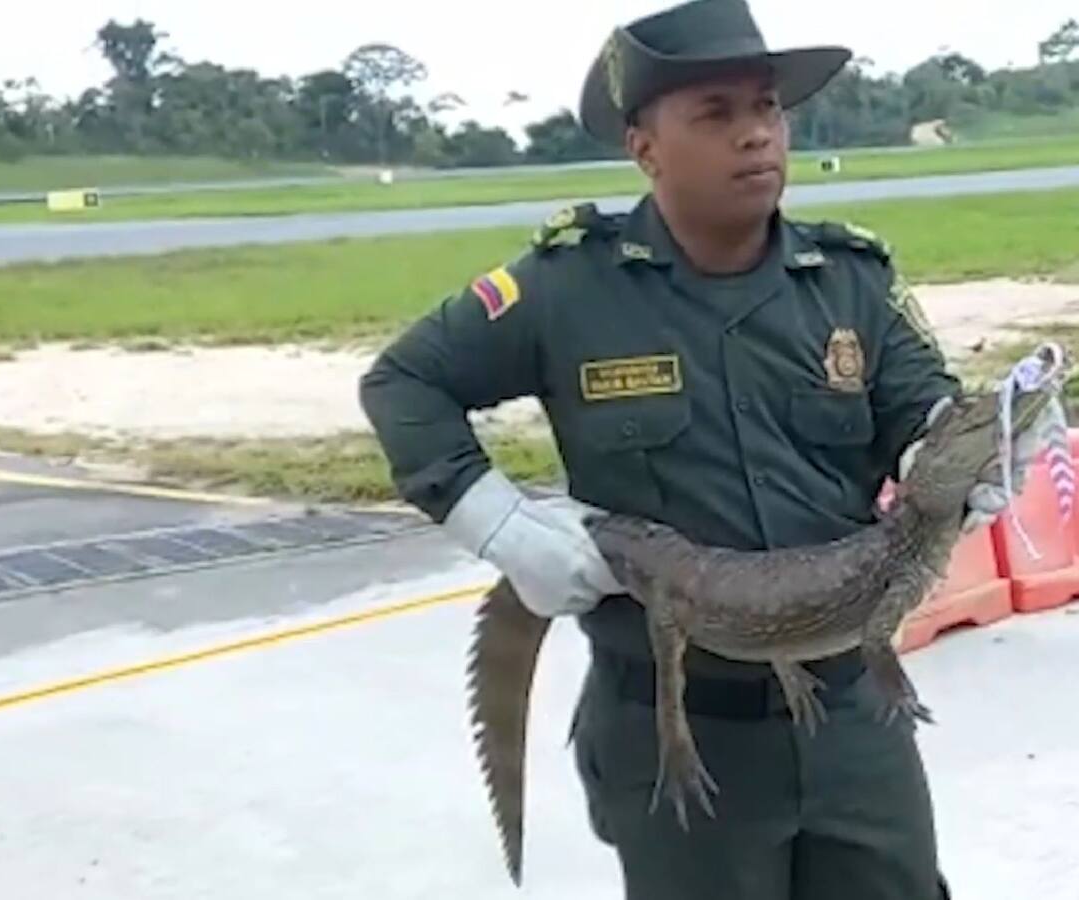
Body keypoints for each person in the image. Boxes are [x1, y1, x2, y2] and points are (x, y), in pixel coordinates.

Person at [359, 1, 1039, 896]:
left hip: (851, 713)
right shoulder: (568, 287)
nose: (755, 134)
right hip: (678, 733)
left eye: (767, 108)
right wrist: (499, 524)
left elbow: (923, 405)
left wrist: (955, 459)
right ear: (645, 147)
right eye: (716, 113)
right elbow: (404, 382)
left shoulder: (850, 280)